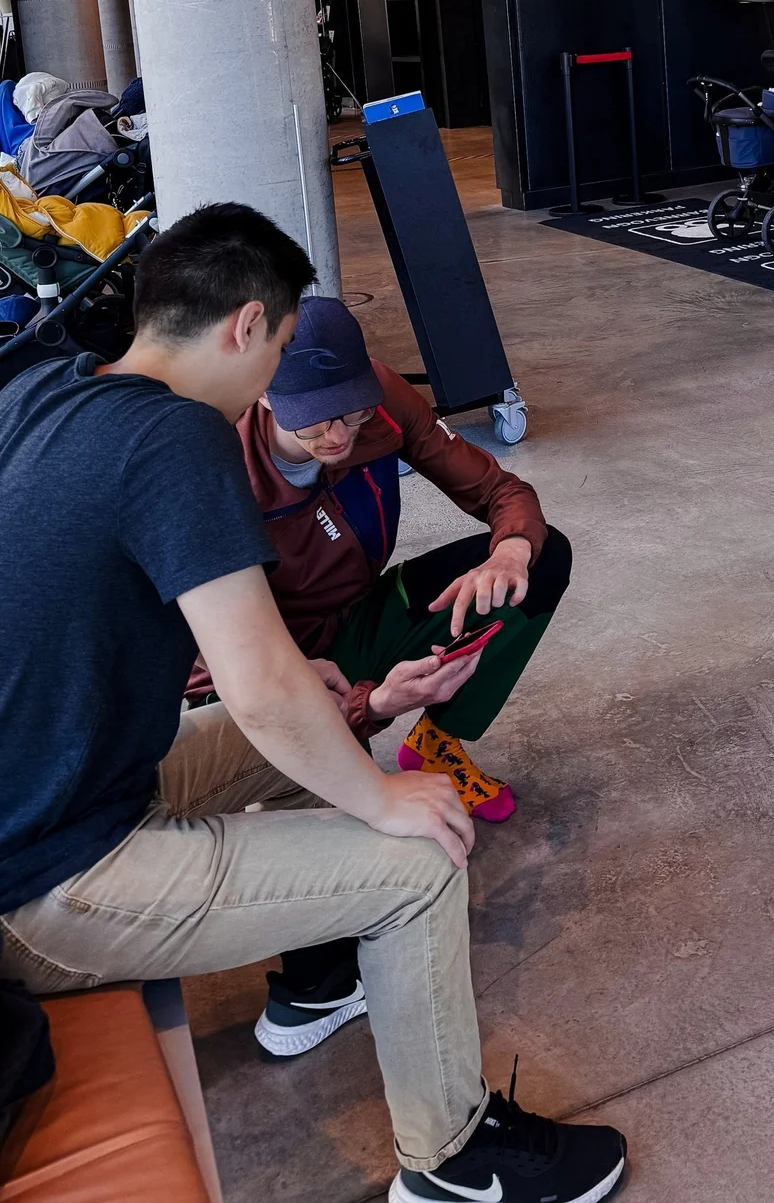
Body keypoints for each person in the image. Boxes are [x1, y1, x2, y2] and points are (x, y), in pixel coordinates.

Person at [0, 203, 626, 1203]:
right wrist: (380, 794)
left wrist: (341, 695)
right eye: (281, 345)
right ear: (248, 324)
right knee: (418, 858)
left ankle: (320, 973)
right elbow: (254, 686)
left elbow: (250, 676)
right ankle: (452, 1161)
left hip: (72, 786)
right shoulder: (179, 437)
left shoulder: (47, 388)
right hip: (50, 874)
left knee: (324, 725)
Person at [187, 294, 572, 829]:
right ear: (264, 393)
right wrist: (370, 705)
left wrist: (511, 550)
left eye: (353, 412)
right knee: (358, 845)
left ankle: (437, 743)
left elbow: (500, 490)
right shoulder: (211, 467)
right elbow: (211, 661)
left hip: (357, 615)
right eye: (314, 422)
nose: (338, 435)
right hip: (265, 667)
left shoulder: (383, 398)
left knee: (540, 555)